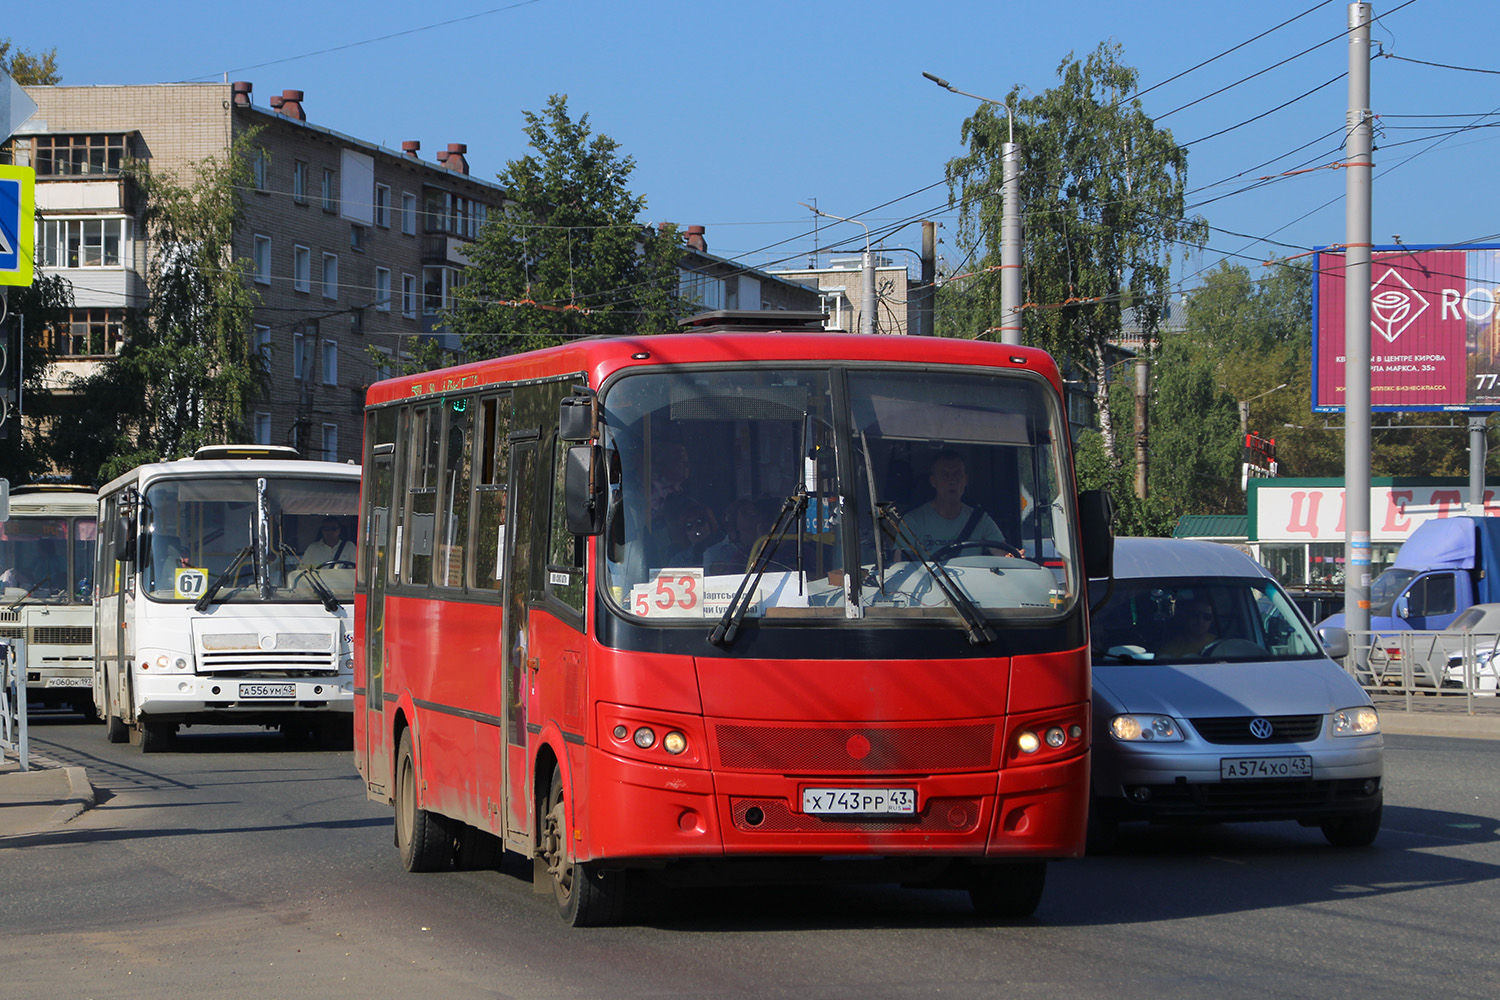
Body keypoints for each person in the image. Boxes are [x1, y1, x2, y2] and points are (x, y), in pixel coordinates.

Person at [897, 451, 1009, 557]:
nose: (952, 481)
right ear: (933, 481)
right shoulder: (911, 521)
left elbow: (1004, 556)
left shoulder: (981, 520)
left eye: (957, 475)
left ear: (965, 480)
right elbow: (900, 567)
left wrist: (1012, 558)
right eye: (945, 475)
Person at [703, 498, 775, 576]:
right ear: (734, 522)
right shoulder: (714, 553)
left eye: (754, 511)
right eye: (745, 513)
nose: (752, 515)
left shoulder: (771, 545)